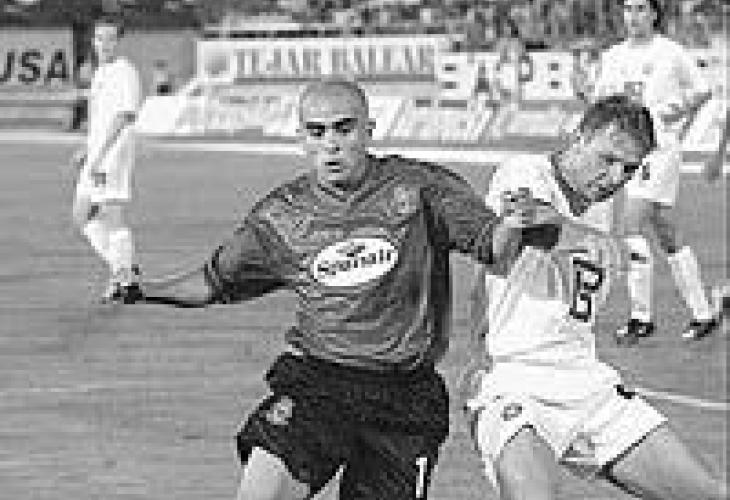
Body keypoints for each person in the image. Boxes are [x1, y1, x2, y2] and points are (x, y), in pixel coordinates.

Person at [117, 82, 645, 500]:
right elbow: (213, 282)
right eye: (316, 132)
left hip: (404, 400)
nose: (331, 144)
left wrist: (527, 223)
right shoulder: (280, 217)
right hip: (318, 384)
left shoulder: (421, 190)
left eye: (344, 129)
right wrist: (143, 290)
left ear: (369, 129)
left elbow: (495, 248)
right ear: (301, 138)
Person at [463, 95, 728, 500]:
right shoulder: (527, 172)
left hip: (585, 381)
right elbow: (525, 215)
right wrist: (581, 236)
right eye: (608, 159)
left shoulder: (601, 211)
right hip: (514, 379)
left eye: (629, 169)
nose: (615, 177)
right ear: (579, 138)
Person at [591, 0, 719, 342]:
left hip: (657, 152)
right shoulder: (614, 56)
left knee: (630, 226)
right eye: (628, 9)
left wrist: (678, 109)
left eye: (640, 9)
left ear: (654, 14)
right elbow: (601, 99)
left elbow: (702, 90)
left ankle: (641, 317)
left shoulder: (670, 52)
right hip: (628, 151)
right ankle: (703, 313)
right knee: (666, 230)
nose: (632, 16)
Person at [71, 15, 142, 302]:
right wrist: (87, 148)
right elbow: (99, 117)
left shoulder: (125, 71)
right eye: (100, 38)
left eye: (111, 38)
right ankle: (122, 267)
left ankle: (124, 278)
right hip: (98, 152)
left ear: (119, 42)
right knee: (81, 215)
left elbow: (124, 116)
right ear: (93, 40)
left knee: (111, 215)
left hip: (114, 152)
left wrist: (100, 155)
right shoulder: (100, 72)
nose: (104, 44)